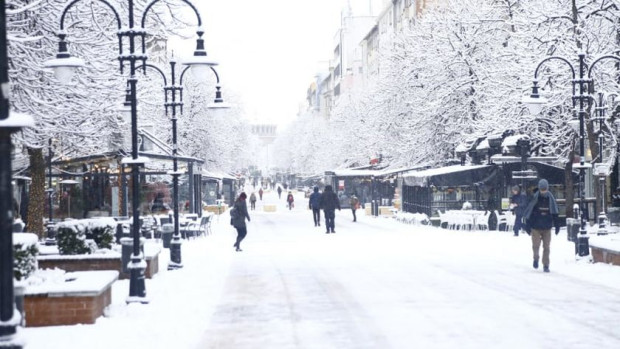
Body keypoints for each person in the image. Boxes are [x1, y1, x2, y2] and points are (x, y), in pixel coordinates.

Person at [523, 179, 560, 273]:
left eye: (545, 189)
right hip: (535, 226)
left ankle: (546, 265)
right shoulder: (535, 198)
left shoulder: (550, 198)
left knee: (546, 247)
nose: (544, 191)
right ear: (539, 189)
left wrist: (557, 224)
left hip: (547, 226)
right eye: (542, 189)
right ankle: (536, 258)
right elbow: (529, 211)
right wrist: (528, 224)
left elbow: (554, 212)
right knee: (536, 245)